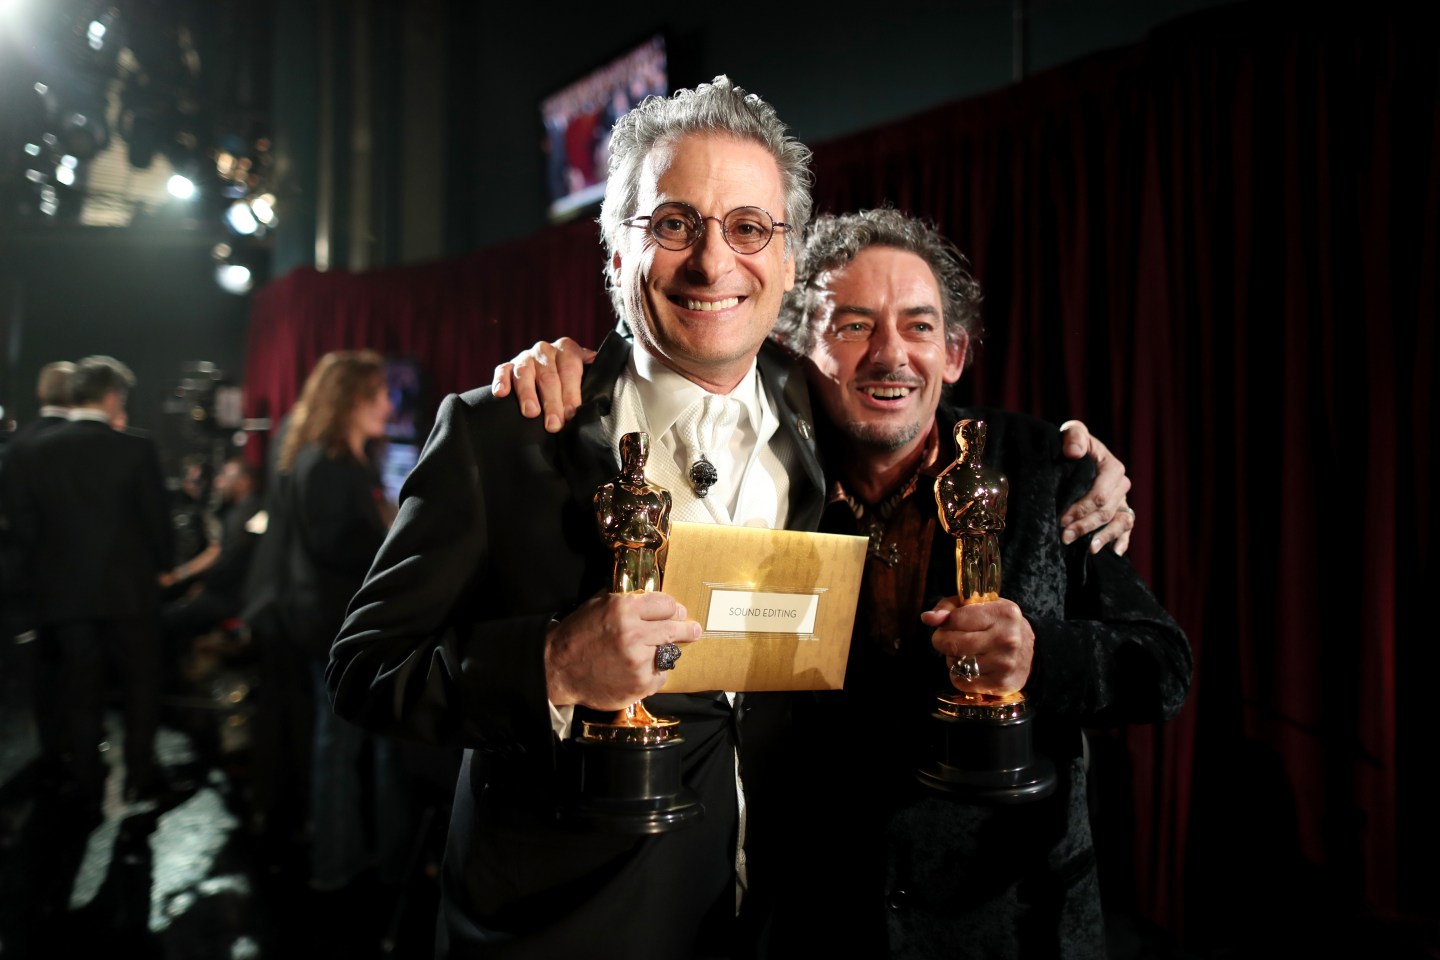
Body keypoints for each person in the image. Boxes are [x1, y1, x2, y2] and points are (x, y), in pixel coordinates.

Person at [498, 209, 1190, 958]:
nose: (890, 356)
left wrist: (1040, 660)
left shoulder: (1044, 468)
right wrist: (560, 363)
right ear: (798, 350)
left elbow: (1163, 667)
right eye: (854, 326)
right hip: (821, 924)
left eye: (919, 328)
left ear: (954, 353)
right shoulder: (761, 481)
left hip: (1019, 926)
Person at [328, 76, 827, 959]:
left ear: (787, 260)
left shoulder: (827, 426)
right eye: (674, 225)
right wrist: (551, 664)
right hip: (563, 935)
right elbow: (364, 669)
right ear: (613, 256)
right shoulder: (501, 433)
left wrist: (1079, 464)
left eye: (749, 227)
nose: (715, 264)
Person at [7, 355, 176, 812]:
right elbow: (158, 523)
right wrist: (165, 566)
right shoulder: (136, 449)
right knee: (142, 686)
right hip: (131, 592)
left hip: (62, 595)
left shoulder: (28, 451)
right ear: (112, 396)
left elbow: (22, 528)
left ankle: (85, 783)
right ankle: (139, 776)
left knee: (79, 691)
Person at [271, 350, 407, 899]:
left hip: (336, 628)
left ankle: (355, 858)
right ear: (350, 399)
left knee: (349, 747)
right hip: (336, 630)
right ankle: (338, 866)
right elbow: (336, 547)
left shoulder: (338, 458)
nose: (387, 405)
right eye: (377, 395)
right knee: (341, 748)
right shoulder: (329, 464)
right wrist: (394, 541)